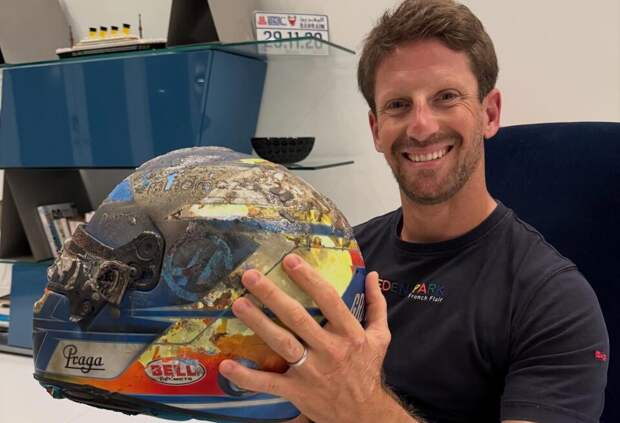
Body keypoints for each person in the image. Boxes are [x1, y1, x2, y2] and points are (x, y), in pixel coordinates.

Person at [218, 0, 610, 422]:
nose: (421, 126)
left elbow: (344, 403)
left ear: (490, 113)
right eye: (398, 105)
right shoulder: (342, 258)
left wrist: (361, 406)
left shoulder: (553, 301)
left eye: (446, 97)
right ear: (376, 130)